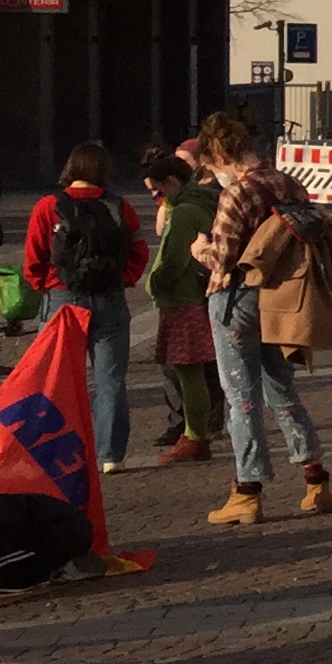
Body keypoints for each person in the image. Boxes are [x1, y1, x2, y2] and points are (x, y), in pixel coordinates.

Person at [193, 108, 332, 525]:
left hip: (235, 298)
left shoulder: (236, 193)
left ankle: (247, 490)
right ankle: (315, 479)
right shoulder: (287, 182)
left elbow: (223, 256)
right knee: (281, 388)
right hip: (277, 297)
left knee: (242, 397)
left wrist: (198, 250)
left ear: (219, 157)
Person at [20, 143, 145, 472]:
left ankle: (57, 450)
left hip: (63, 297)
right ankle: (111, 454)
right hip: (110, 298)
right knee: (111, 379)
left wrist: (43, 285)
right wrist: (125, 278)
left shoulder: (49, 206)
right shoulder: (119, 206)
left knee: (59, 377)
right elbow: (139, 251)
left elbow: (34, 254)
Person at [140, 148, 223, 465]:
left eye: (158, 190)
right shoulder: (205, 201)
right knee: (194, 371)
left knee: (188, 373)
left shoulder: (185, 212)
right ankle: (196, 434)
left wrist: (156, 283)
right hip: (198, 295)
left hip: (182, 299)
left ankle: (194, 436)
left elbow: (173, 259)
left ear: (172, 181)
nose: (157, 198)